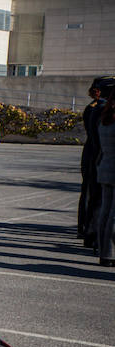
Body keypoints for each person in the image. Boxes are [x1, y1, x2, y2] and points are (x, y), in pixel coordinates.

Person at [78, 77, 108, 247]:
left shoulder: (98, 108)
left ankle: (88, 228)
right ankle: (87, 228)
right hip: (94, 154)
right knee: (92, 194)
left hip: (93, 153)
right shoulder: (95, 109)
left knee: (93, 194)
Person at [95, 80, 115, 268]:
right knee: (112, 214)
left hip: (105, 168)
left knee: (105, 211)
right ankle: (109, 252)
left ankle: (103, 251)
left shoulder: (105, 120)